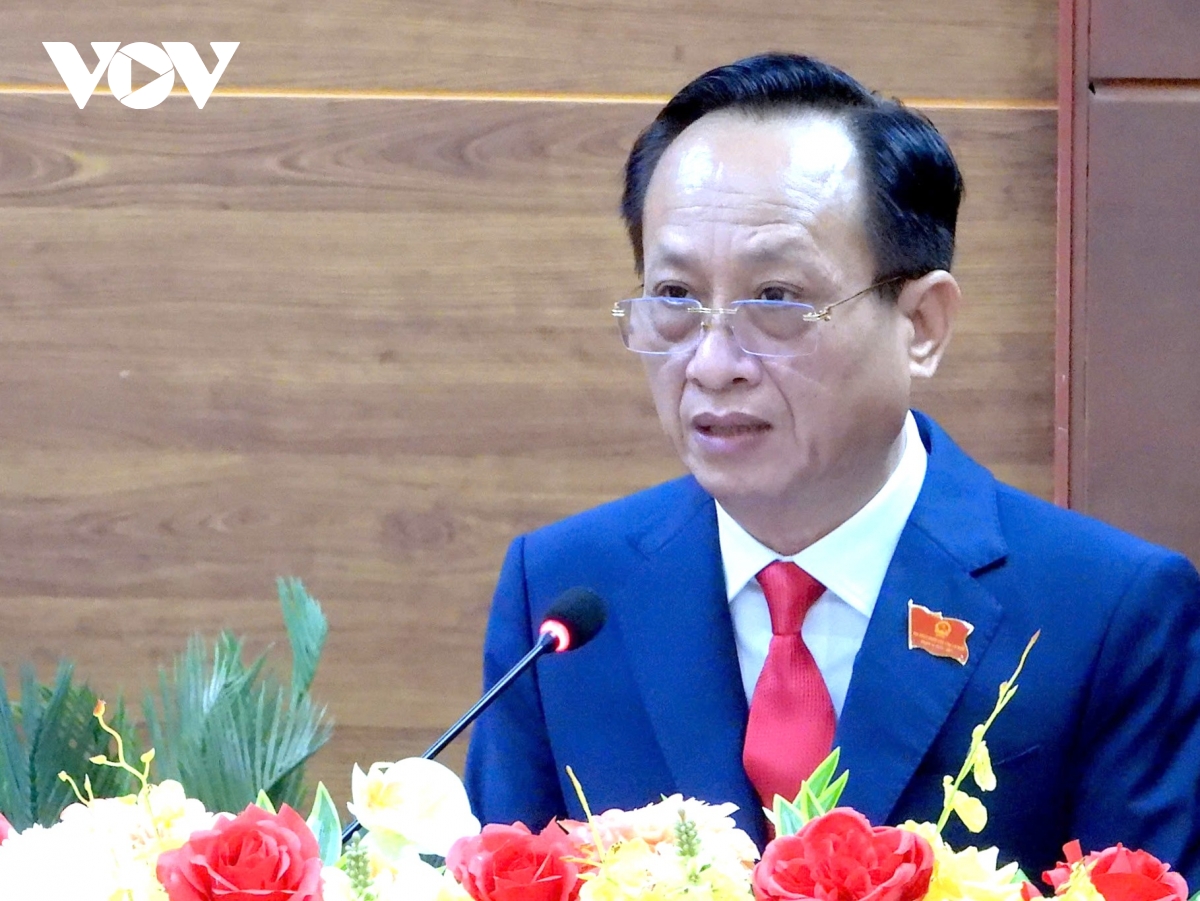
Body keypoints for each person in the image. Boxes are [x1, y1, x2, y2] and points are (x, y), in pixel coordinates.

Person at [462, 53, 1200, 885]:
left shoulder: (1106, 613)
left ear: (921, 324)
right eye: (674, 297)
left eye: (776, 299)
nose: (712, 363)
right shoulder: (562, 599)